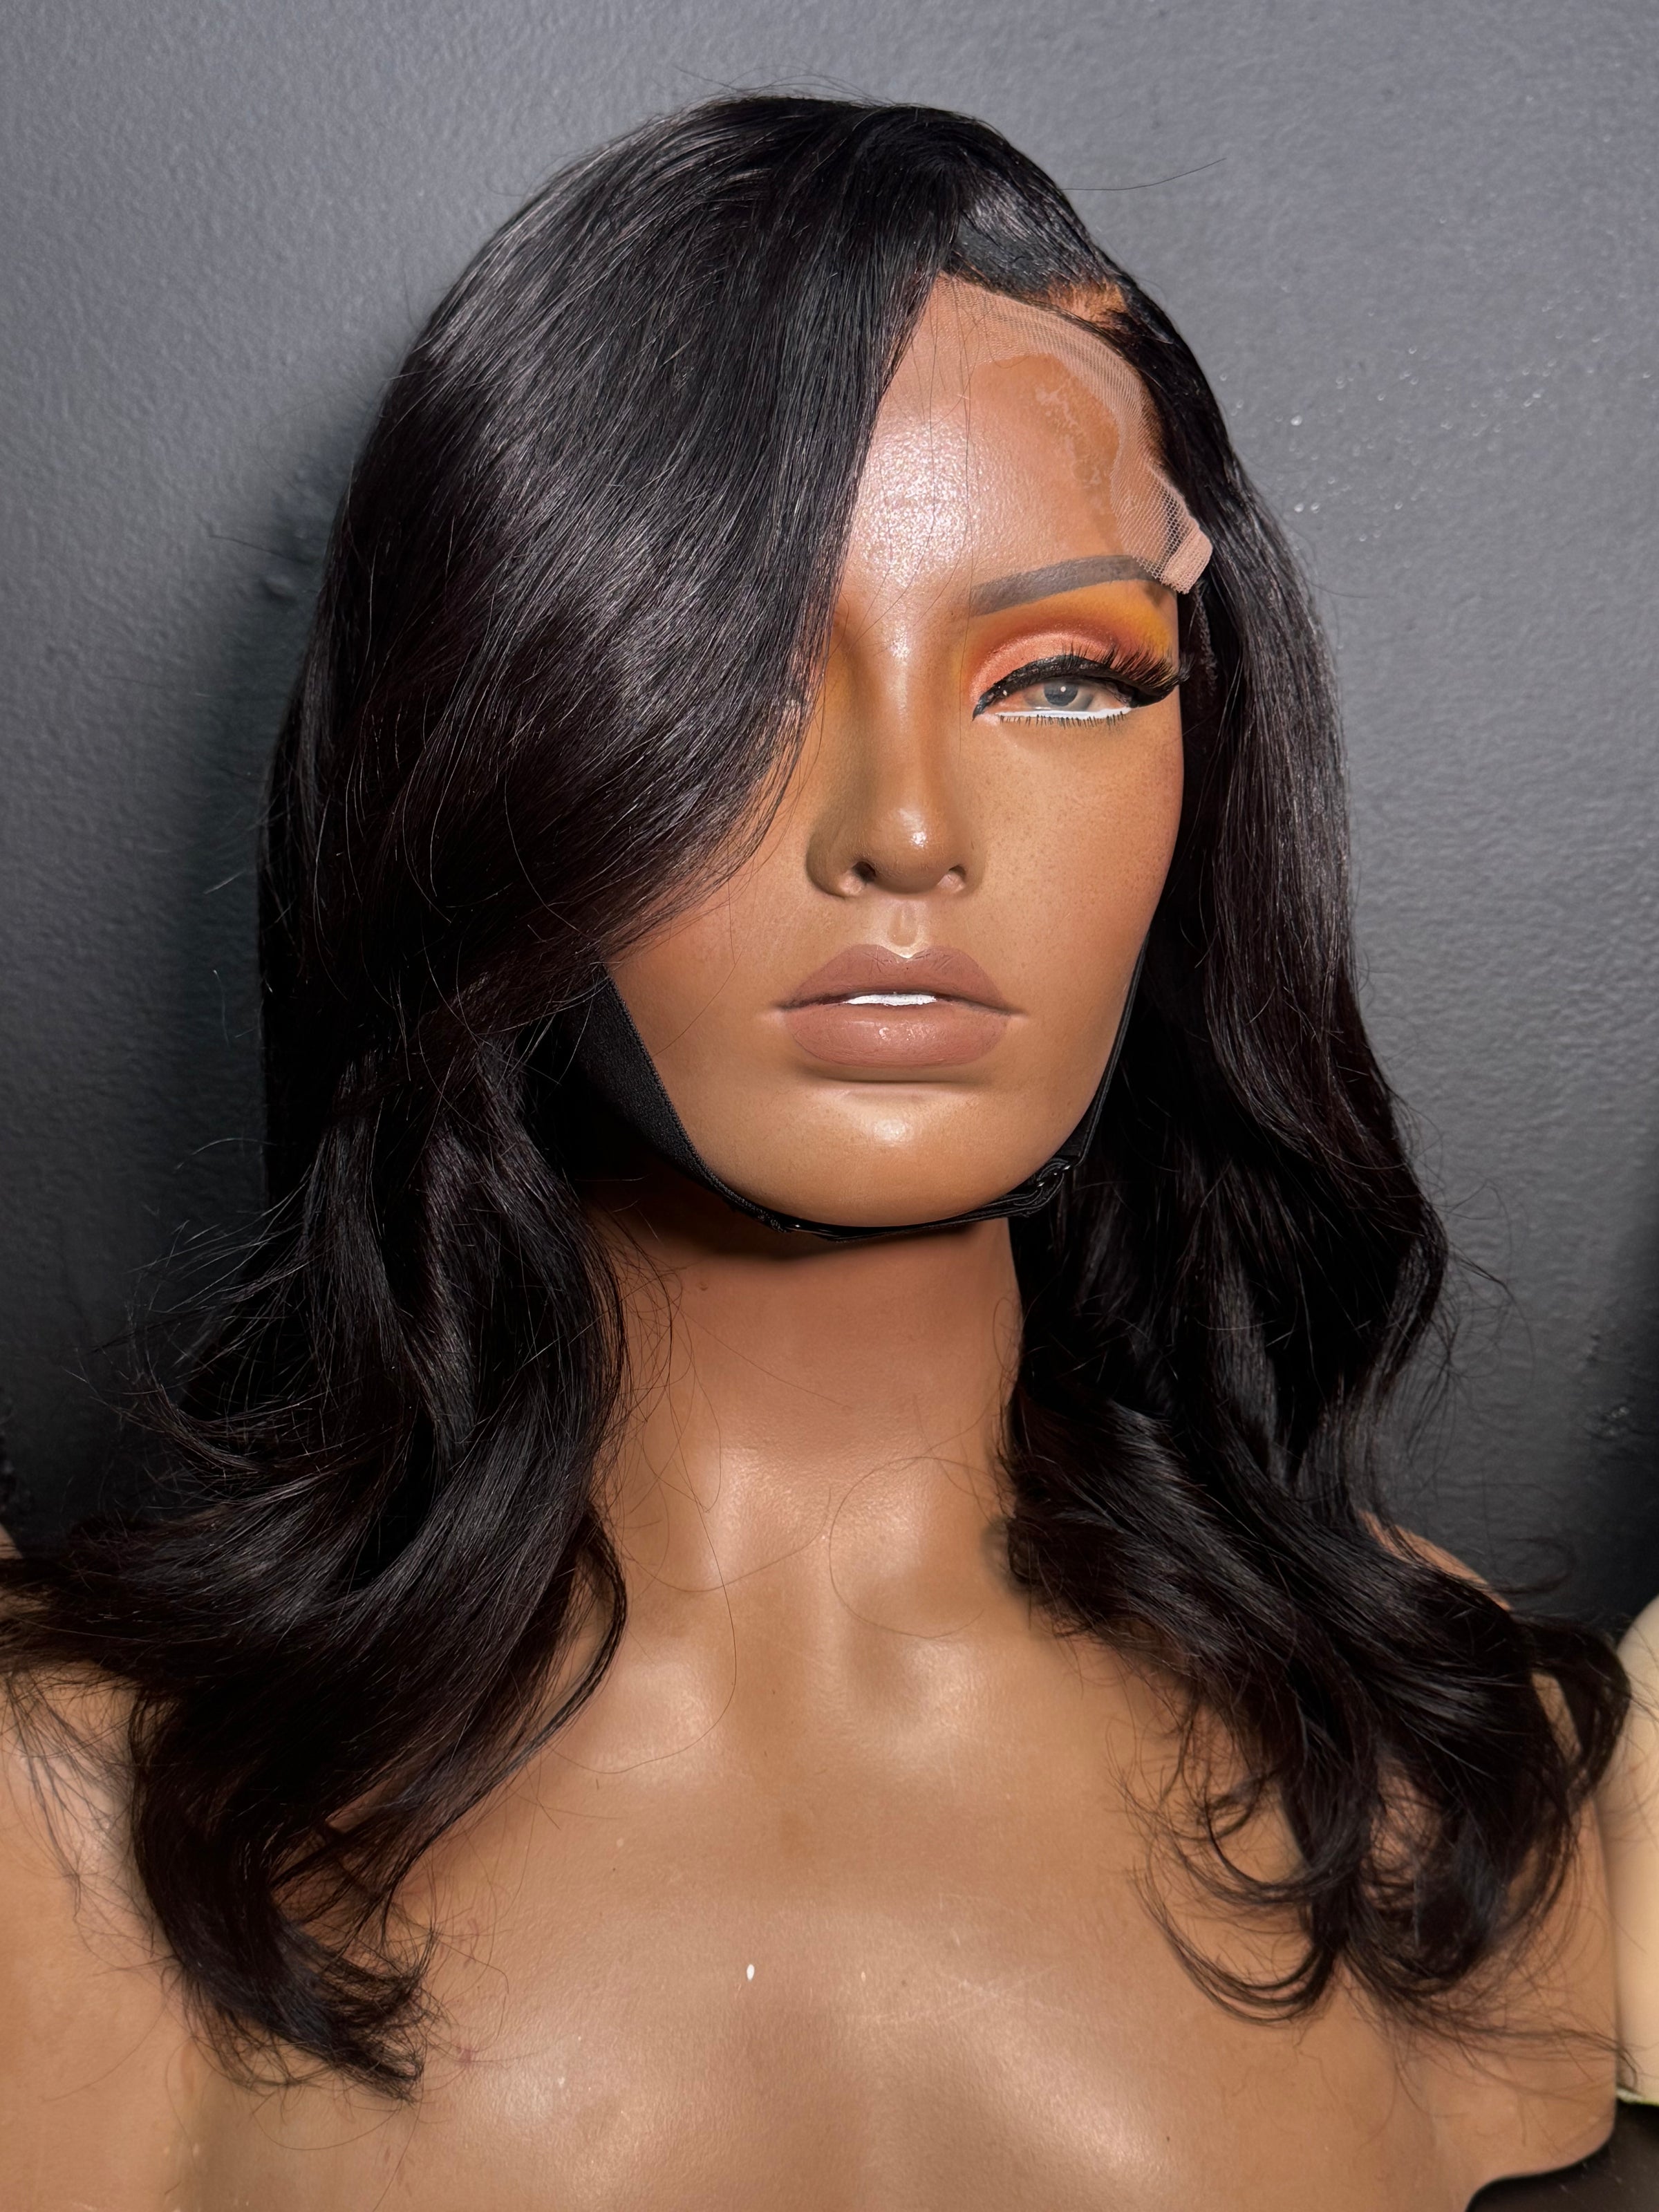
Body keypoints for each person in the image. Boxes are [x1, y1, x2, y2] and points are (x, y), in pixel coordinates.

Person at [0, 94, 1631, 2209]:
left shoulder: (1440, 1778)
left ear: (1206, 767)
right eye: (732, 672)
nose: (909, 831)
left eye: (1063, 677)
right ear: (494, 742)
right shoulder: (74, 1822)